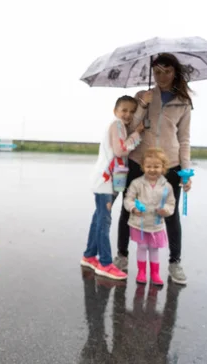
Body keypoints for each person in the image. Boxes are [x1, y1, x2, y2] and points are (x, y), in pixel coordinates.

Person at [115, 53, 193, 285]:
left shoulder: (183, 102)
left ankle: (175, 262)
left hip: (169, 163)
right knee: (127, 209)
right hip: (139, 160)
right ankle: (121, 256)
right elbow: (130, 129)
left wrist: (185, 171)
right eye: (157, 72)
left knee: (169, 212)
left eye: (167, 71)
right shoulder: (143, 96)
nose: (162, 76)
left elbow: (185, 138)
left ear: (175, 72)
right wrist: (142, 104)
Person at [81, 95, 144, 280]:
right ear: (115, 111)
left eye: (132, 111)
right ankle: (105, 263)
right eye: (124, 110)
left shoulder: (120, 126)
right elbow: (120, 150)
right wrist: (137, 135)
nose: (128, 114)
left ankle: (89, 256)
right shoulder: (116, 125)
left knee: (99, 218)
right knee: (104, 221)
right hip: (105, 180)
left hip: (108, 181)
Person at [123, 148, 176, 285]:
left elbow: (171, 203)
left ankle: (155, 273)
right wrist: (133, 208)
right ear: (143, 167)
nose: (152, 170)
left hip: (156, 225)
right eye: (149, 166)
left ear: (163, 167)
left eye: (156, 166)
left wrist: (166, 210)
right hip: (139, 224)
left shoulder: (167, 186)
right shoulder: (136, 183)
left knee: (154, 248)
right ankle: (141, 272)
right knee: (142, 247)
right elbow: (128, 199)